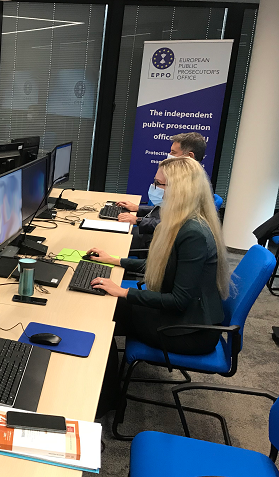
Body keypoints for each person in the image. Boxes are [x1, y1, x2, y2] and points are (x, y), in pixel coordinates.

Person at [88, 156, 231, 413]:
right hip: (183, 316)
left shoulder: (193, 233)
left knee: (100, 316)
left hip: (189, 330)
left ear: (178, 190)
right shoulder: (179, 220)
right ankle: (106, 393)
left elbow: (178, 300)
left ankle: (105, 402)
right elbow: (164, 268)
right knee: (104, 307)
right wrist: (114, 260)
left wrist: (123, 291)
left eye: (159, 183)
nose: (154, 188)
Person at [116, 132, 208, 249]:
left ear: (189, 156)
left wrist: (138, 220)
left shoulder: (191, 187)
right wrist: (137, 209)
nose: (169, 155)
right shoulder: (182, 179)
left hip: (155, 240)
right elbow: (165, 208)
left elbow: (176, 225)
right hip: (151, 232)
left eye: (173, 153)